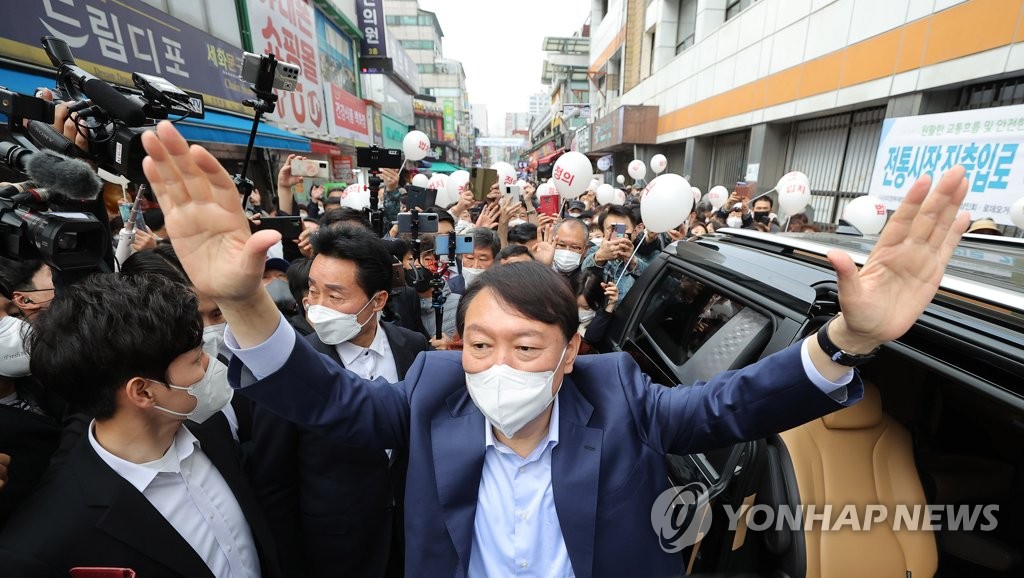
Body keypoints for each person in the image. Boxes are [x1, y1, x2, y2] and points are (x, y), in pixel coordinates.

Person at [141, 120, 970, 578]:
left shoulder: (622, 400)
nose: (497, 368)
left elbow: (732, 402)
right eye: (479, 344)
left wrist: (849, 338)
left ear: (572, 353)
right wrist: (246, 300)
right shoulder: (433, 393)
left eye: (527, 347)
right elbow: (324, 399)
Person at [0, 273, 282, 577]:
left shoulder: (209, 427)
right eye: (197, 358)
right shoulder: (46, 542)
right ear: (143, 392)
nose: (211, 365)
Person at [246, 223, 429, 578]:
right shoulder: (293, 368)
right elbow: (274, 482)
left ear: (378, 301)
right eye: (313, 292)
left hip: (409, 541)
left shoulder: (414, 347)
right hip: (334, 552)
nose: (317, 306)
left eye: (335, 296)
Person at [448, 227, 501, 295]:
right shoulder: (449, 289)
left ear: (495, 260)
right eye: (470, 258)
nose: (475, 266)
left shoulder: (502, 289)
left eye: (482, 259)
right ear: (461, 257)